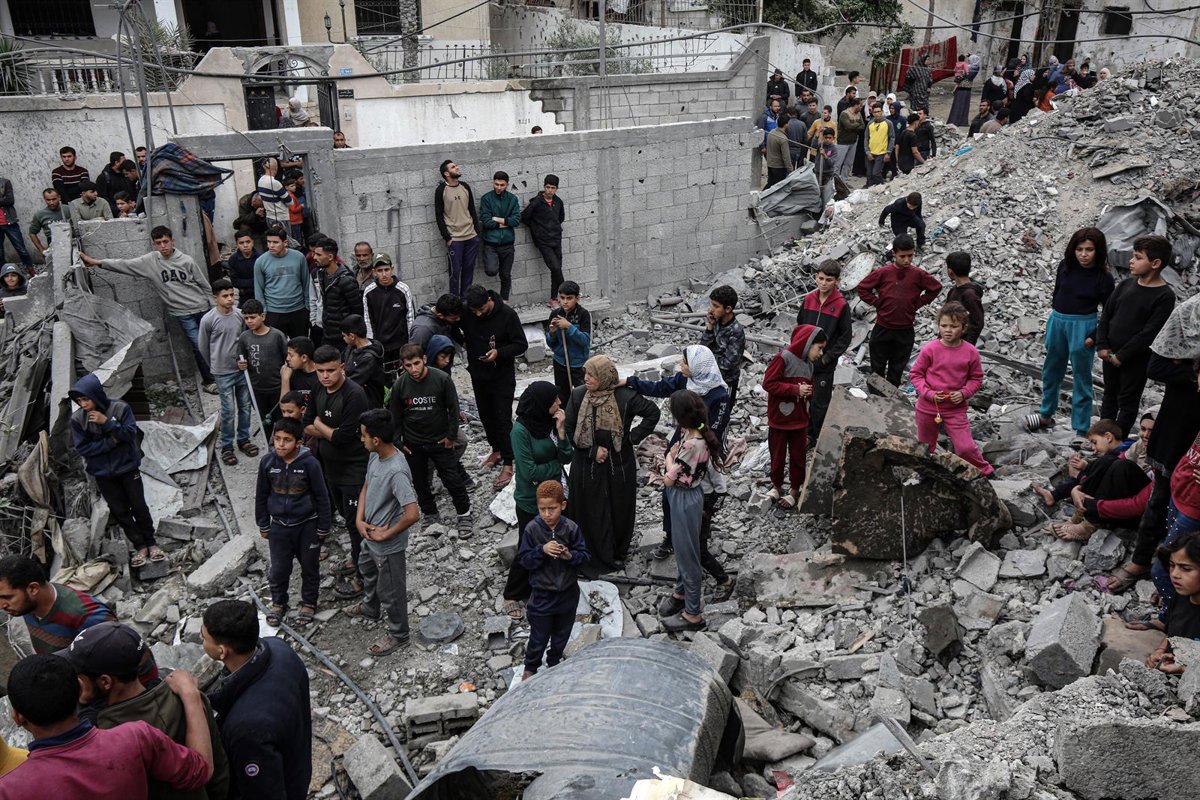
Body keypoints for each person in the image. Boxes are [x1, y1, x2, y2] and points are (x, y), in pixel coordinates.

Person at [1, 654, 212, 798]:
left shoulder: (11, 790)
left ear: (17, 717)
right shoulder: (136, 738)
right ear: (80, 689)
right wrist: (191, 696)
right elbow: (200, 771)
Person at [64, 620, 230, 799]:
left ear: (105, 682)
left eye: (78, 676)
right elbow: (219, 773)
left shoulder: (105, 735)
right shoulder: (188, 699)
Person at [1108, 303, 1200, 594]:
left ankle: (1185, 581)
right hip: (1179, 427)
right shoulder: (1189, 314)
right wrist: (1193, 375)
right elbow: (1157, 366)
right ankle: (1145, 561)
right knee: (1161, 499)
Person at [79, 225, 215, 392]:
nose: (163, 246)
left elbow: (204, 284)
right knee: (198, 346)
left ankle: (222, 374)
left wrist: (214, 308)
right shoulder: (151, 261)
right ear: (153, 244)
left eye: (166, 241)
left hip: (202, 308)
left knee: (213, 343)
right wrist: (97, 263)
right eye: (158, 243)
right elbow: (125, 264)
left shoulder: (187, 260)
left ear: (172, 241)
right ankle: (209, 381)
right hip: (183, 313)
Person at [202, 599, 311, 799]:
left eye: (204, 638)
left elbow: (263, 793)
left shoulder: (247, 728)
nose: (202, 641)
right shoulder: (279, 648)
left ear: (222, 651)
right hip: (297, 765)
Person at [565, 355, 660, 575]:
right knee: (590, 507)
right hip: (586, 463)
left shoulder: (625, 396)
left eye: (592, 375)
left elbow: (652, 413)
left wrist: (632, 438)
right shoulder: (579, 395)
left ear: (604, 377)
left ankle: (617, 550)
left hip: (618, 462)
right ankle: (590, 551)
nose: (586, 379)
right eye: (586, 374)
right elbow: (569, 430)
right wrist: (591, 451)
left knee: (619, 506)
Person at [0, 555, 158, 683]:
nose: (2, 605)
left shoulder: (87, 616)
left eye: (7, 597)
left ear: (33, 589)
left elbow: (133, 659)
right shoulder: (26, 607)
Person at [344, 409, 420, 655]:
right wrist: (359, 519)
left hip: (386, 544)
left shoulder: (396, 471)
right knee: (366, 569)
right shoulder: (376, 456)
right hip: (370, 534)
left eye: (363, 435)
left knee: (391, 591)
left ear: (376, 439)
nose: (361, 439)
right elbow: (367, 484)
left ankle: (399, 634)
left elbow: (412, 513)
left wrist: (387, 534)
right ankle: (370, 607)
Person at [68, 373, 163, 567]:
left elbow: (129, 434)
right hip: (103, 473)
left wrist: (107, 423)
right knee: (120, 510)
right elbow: (84, 449)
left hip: (127, 467)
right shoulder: (78, 419)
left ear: (95, 395)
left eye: (86, 399)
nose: (83, 404)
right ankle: (140, 546)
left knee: (139, 505)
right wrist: (111, 442)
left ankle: (151, 543)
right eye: (79, 401)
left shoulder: (120, 408)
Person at [1028, 227, 1114, 435]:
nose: (1083, 254)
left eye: (1089, 250)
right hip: (1058, 321)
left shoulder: (1103, 278)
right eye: (1079, 249)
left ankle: (1081, 428)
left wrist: (1094, 336)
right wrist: (1054, 319)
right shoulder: (1065, 266)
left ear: (1098, 251)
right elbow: (1057, 292)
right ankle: (1046, 414)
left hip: (1083, 325)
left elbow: (1110, 312)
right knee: (1051, 370)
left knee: (1081, 377)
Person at [303, 345, 371, 597]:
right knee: (344, 515)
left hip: (354, 468)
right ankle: (357, 557)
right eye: (320, 371)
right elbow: (305, 424)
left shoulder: (354, 394)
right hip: (330, 468)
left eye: (330, 370)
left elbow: (343, 438)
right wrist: (327, 430)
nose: (325, 376)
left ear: (342, 367)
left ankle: (363, 577)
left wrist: (319, 424)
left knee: (356, 522)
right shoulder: (318, 388)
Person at [503, 383, 573, 620]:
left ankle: (548, 581)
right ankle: (512, 593)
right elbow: (529, 471)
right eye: (554, 400)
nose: (559, 404)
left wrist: (561, 432)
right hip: (532, 500)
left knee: (556, 538)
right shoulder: (520, 432)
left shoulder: (551, 423)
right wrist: (555, 466)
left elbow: (567, 456)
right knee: (530, 543)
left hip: (557, 493)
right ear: (541, 404)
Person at [1095, 235, 1176, 438]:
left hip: (1135, 360)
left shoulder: (1164, 296)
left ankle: (1117, 441)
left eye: (1138, 257)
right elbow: (1106, 315)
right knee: (1109, 396)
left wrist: (1122, 355)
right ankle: (1102, 438)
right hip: (1110, 354)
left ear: (1155, 263)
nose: (1131, 261)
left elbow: (1149, 332)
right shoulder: (1125, 285)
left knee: (1127, 401)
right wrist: (1102, 345)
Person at [657, 390, 723, 633]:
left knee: (687, 554)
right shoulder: (699, 434)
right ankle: (681, 592)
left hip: (683, 498)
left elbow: (669, 479)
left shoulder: (690, 444)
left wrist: (669, 457)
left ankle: (693, 613)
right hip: (692, 495)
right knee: (684, 546)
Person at [255, 417, 330, 627]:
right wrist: (263, 523)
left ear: (299, 442)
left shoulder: (310, 464)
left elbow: (322, 496)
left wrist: (323, 527)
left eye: (287, 440)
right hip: (279, 527)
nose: (280, 444)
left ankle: (309, 603)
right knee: (279, 569)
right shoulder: (268, 463)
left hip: (307, 526)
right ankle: (279, 603)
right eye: (277, 439)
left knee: (310, 567)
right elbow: (261, 495)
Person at [390, 343, 471, 535]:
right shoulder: (400, 385)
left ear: (424, 359)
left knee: (452, 479)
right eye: (408, 365)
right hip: (413, 443)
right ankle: (430, 513)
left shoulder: (441, 379)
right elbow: (395, 416)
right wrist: (398, 442)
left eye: (416, 363)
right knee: (420, 482)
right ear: (403, 365)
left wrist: (451, 436)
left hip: (440, 441)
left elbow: (453, 409)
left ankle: (464, 513)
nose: (413, 369)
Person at [909, 302, 994, 477]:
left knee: (965, 448)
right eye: (944, 325)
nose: (948, 330)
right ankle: (927, 475)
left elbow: (976, 378)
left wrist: (964, 393)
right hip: (927, 407)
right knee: (925, 447)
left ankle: (985, 472)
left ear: (964, 328)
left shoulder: (970, 352)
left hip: (955, 409)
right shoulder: (930, 349)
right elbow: (916, 374)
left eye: (954, 326)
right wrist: (928, 393)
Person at [1031, 419, 1151, 541]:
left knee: (1113, 464)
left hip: (1139, 510)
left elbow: (1138, 501)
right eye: (1142, 429)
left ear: (1108, 437)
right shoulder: (1137, 447)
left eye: (1151, 430)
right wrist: (1078, 487)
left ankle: (1089, 523)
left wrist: (1080, 476)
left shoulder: (1153, 458)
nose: (1145, 435)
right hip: (1125, 498)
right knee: (1104, 462)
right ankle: (1080, 512)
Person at [518, 480, 589, 676]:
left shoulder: (571, 528)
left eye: (552, 509)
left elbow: (584, 556)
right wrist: (541, 550)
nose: (547, 514)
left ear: (563, 505)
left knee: (562, 634)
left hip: (568, 593)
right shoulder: (532, 529)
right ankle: (530, 668)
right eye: (543, 509)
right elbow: (524, 560)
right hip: (542, 594)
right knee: (538, 636)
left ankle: (554, 662)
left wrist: (570, 556)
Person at [461, 284, 527, 489]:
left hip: (502, 376)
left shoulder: (507, 315)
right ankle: (496, 450)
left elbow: (520, 344)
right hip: (479, 375)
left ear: (489, 300)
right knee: (486, 416)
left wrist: (499, 352)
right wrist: (463, 342)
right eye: (474, 311)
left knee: (502, 419)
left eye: (481, 309)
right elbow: (453, 324)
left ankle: (508, 462)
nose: (478, 314)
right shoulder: (468, 312)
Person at [857, 235, 942, 386]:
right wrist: (877, 303)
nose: (907, 260)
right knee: (877, 366)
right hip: (883, 328)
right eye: (902, 256)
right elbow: (863, 288)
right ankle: (875, 395)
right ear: (894, 253)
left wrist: (917, 303)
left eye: (910, 255)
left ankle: (892, 395)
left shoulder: (918, 274)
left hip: (905, 330)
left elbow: (935, 288)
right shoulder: (883, 272)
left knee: (897, 369)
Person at [763, 325, 827, 509]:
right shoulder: (783, 358)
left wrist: (808, 392)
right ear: (808, 343)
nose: (821, 353)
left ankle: (794, 490)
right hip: (779, 420)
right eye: (819, 348)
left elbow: (809, 389)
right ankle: (776, 485)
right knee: (777, 455)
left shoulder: (809, 365)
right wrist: (795, 390)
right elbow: (769, 383)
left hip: (799, 420)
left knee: (798, 457)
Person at [200, 279, 256, 465]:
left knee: (245, 406)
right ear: (215, 297)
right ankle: (227, 446)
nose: (230, 299)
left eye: (232, 295)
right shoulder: (209, 319)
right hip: (222, 372)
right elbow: (203, 347)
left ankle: (243, 439)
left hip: (241, 370)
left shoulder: (240, 315)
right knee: (228, 409)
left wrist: (245, 360)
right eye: (225, 296)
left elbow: (247, 339)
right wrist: (215, 365)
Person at [797, 260, 852, 443]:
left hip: (824, 365)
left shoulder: (841, 305)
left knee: (819, 402)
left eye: (829, 280)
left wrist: (828, 358)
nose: (823, 283)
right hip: (805, 361)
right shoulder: (808, 300)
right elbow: (799, 326)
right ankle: (803, 431)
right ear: (816, 277)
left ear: (837, 281)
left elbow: (845, 337)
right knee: (802, 396)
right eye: (821, 278)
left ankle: (816, 436)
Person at [1145, 533, 1200, 672]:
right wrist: (1160, 651)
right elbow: (1172, 633)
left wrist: (1184, 668)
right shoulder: (1180, 596)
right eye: (1172, 565)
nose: (1175, 574)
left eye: (1186, 569)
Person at [698, 284, 746, 434]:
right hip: (710, 380)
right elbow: (702, 349)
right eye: (711, 305)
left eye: (716, 306)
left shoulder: (736, 331)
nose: (711, 309)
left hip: (726, 383)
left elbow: (727, 363)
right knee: (704, 418)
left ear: (728, 309)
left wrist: (706, 363)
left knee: (720, 421)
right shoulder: (716, 322)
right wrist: (709, 328)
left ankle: (718, 445)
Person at [238, 298, 289, 431]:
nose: (249, 321)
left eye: (253, 317)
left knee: (281, 422)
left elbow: (288, 360)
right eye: (246, 318)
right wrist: (241, 364)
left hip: (277, 387)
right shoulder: (244, 337)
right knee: (265, 422)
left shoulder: (277, 335)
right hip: (256, 389)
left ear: (263, 316)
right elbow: (241, 358)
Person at [435, 160, 482, 301]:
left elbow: (472, 209)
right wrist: (447, 237)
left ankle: (465, 302)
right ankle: (454, 304)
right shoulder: (441, 190)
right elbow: (438, 215)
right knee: (454, 274)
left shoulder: (465, 186)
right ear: (446, 173)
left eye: (456, 166)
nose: (457, 168)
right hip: (455, 239)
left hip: (471, 237)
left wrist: (477, 233)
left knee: (468, 272)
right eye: (453, 167)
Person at [362, 253, 415, 378]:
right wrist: (372, 345)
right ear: (374, 272)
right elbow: (368, 320)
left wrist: (410, 343)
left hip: (401, 344)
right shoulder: (369, 292)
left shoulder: (403, 289)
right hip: (381, 346)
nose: (384, 274)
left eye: (386, 270)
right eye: (380, 271)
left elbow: (410, 317)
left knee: (405, 377)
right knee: (385, 379)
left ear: (392, 269)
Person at [253, 226, 311, 339]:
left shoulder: (299, 257)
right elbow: (259, 289)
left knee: (300, 344)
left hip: (298, 310)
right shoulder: (261, 262)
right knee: (275, 345)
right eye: (269, 242)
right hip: (274, 311)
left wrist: (308, 307)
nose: (271, 245)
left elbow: (306, 283)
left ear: (285, 243)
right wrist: (263, 311)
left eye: (275, 242)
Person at [545, 281, 591, 404]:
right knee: (562, 396)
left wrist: (569, 327)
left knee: (583, 396)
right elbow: (550, 343)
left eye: (569, 298)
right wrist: (552, 333)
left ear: (577, 298)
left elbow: (585, 341)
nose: (565, 302)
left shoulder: (583, 314)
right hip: (560, 363)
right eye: (562, 298)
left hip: (578, 364)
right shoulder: (555, 314)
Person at [478, 171, 521, 302]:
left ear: (507, 185)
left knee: (505, 275)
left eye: (502, 185)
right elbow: (486, 221)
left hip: (508, 244)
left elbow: (516, 221)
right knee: (491, 271)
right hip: (491, 244)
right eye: (496, 184)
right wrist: (506, 222)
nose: (498, 187)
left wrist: (497, 219)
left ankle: (504, 302)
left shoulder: (512, 199)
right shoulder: (486, 198)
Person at [522, 174, 567, 300]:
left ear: (556, 189)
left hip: (556, 239)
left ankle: (554, 298)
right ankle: (568, 292)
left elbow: (561, 218)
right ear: (544, 187)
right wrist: (537, 230)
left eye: (553, 188)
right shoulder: (536, 202)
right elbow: (524, 217)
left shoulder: (558, 202)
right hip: (543, 241)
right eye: (548, 187)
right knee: (555, 267)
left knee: (557, 270)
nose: (550, 190)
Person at [311, 238, 362, 343]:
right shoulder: (320, 274)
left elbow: (357, 310)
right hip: (327, 333)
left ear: (330, 257)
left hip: (343, 337)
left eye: (319, 255)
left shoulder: (347, 280)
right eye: (315, 254)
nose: (314, 257)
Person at [340, 314, 386, 408]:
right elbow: (341, 362)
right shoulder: (351, 347)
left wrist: (341, 375)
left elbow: (353, 382)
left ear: (352, 336)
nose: (343, 338)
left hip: (369, 404)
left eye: (344, 336)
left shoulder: (369, 358)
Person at [945, 251, 985, 345]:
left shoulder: (970, 295)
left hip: (960, 343)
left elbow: (977, 323)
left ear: (950, 271)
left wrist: (967, 345)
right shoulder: (953, 290)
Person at [0, 176, 33, 272]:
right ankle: (4, 274)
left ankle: (31, 271)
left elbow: (10, 200)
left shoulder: (5, 182)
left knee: (21, 249)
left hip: (9, 222)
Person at [27, 188, 69, 259]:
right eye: (48, 200)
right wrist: (42, 250)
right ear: (44, 199)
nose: (51, 203)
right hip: (53, 244)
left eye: (54, 199)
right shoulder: (40, 215)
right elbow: (32, 233)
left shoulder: (68, 209)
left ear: (59, 197)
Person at [280, 336, 321, 406]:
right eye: (287, 354)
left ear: (304, 358)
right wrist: (285, 380)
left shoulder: (321, 374)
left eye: (291, 355)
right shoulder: (290, 373)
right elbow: (284, 406)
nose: (287, 359)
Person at [863, 102, 894, 187]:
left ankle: (882, 188)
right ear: (872, 113)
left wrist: (888, 152)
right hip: (870, 152)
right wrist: (867, 151)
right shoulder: (870, 123)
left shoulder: (888, 123)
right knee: (869, 175)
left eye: (878, 111)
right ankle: (870, 190)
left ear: (882, 112)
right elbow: (866, 138)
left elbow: (892, 138)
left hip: (881, 153)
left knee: (876, 173)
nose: (877, 114)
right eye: (875, 112)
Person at [835, 97, 865, 179]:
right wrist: (857, 124)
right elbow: (848, 127)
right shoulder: (845, 114)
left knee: (848, 163)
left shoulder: (858, 114)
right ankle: (834, 181)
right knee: (838, 163)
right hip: (843, 142)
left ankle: (844, 180)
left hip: (853, 142)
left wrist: (854, 126)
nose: (861, 107)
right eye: (860, 105)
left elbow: (863, 126)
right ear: (856, 105)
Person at [227, 230, 259, 306]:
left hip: (259, 295)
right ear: (237, 244)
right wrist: (253, 282)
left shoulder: (260, 258)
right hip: (243, 297)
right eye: (241, 243)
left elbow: (261, 280)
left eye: (248, 242)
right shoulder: (233, 259)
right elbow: (235, 281)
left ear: (252, 242)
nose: (245, 245)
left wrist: (244, 285)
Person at [255, 157, 289, 228]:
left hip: (269, 217)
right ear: (276, 168)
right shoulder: (275, 183)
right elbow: (290, 202)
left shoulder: (261, 180)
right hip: (281, 217)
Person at [765, 109, 793, 189]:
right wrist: (790, 169)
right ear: (786, 125)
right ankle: (761, 196)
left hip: (770, 164)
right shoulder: (783, 139)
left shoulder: (771, 132)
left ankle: (761, 195)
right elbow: (786, 156)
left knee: (770, 184)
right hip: (779, 167)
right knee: (777, 188)